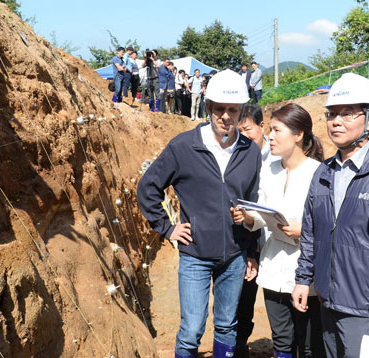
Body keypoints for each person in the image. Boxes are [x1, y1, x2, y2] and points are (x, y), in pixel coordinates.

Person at [137, 69, 262, 358]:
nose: (226, 117)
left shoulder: (250, 151)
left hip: (235, 255)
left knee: (227, 325)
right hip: (195, 255)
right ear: (208, 107)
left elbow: (253, 202)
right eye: (220, 109)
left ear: (242, 110)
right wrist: (167, 228)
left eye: (233, 110)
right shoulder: (184, 146)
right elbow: (148, 187)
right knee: (192, 329)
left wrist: (252, 250)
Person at [292, 72, 369, 358]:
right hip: (327, 298)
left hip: (365, 304)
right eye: (332, 114)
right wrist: (303, 279)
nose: (336, 121)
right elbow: (311, 230)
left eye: (348, 114)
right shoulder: (323, 172)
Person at [232, 103, 325, 358]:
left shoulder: (319, 173)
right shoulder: (269, 169)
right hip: (273, 266)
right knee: (281, 340)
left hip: (306, 271)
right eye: (270, 130)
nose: (270, 136)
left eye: (277, 130)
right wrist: (248, 218)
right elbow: (262, 213)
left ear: (298, 134)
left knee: (307, 343)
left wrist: (304, 230)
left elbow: (331, 225)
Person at [233, 103, 272, 357]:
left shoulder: (280, 156)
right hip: (248, 240)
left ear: (261, 126)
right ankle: (238, 346)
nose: (244, 136)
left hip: (277, 240)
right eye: (239, 131)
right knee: (243, 300)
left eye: (248, 130)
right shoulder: (236, 155)